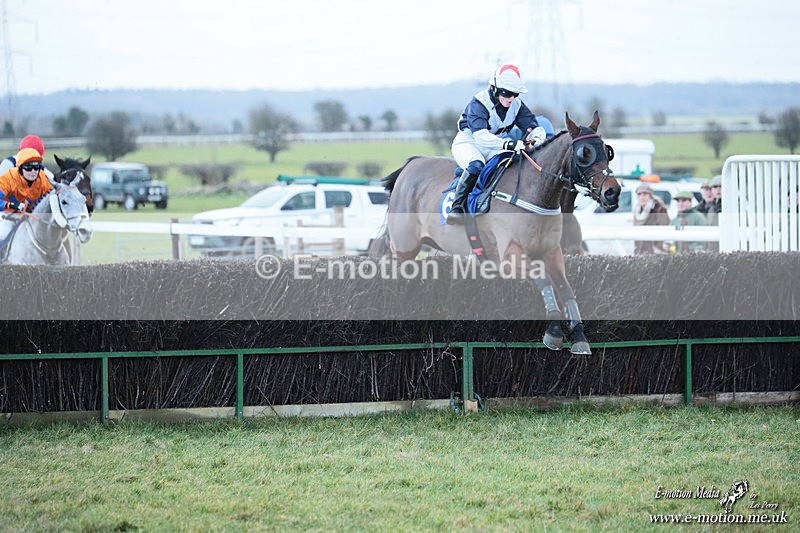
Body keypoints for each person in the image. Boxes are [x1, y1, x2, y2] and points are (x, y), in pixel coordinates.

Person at [447, 64, 547, 225]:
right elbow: (480, 136)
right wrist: (508, 144)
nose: (511, 98)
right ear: (494, 88)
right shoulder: (479, 103)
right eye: (506, 93)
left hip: (496, 144)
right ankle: (457, 207)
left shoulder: (516, 105)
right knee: (476, 165)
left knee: (514, 163)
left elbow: (535, 127)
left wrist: (535, 139)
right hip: (469, 142)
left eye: (515, 93)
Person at [0, 148, 54, 242]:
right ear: (20, 168)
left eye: (36, 167)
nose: (33, 171)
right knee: (4, 234)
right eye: (28, 167)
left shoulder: (43, 179)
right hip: (8, 216)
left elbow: (53, 197)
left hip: (31, 216)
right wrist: (10, 205)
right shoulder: (9, 178)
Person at [633, 184, 669, 254]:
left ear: (650, 195)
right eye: (639, 194)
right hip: (640, 251)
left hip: (655, 251)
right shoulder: (637, 211)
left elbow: (665, 230)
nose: (642, 197)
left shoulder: (659, 209)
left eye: (645, 194)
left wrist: (658, 248)